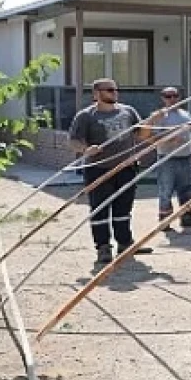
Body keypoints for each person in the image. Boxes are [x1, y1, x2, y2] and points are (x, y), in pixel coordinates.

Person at [67, 78, 154, 264]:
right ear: (96, 93)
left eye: (115, 89)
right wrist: (86, 149)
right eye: (109, 90)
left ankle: (125, 243)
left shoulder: (128, 111)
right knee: (100, 210)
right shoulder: (86, 116)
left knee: (123, 209)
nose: (114, 92)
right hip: (98, 170)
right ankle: (103, 248)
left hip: (126, 168)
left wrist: (155, 120)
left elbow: (141, 134)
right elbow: (73, 140)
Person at [138, 86, 191, 231]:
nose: (172, 99)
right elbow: (148, 137)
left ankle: (186, 217)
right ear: (163, 98)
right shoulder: (159, 116)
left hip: (185, 157)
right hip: (167, 158)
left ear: (179, 97)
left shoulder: (186, 114)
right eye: (168, 96)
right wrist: (169, 140)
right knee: (166, 190)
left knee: (186, 190)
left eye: (175, 96)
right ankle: (165, 221)